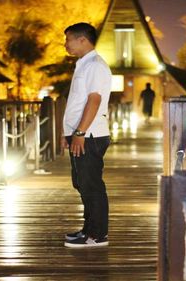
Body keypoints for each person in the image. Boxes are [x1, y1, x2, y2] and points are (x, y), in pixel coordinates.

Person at [61, 23, 112, 248]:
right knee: (82, 183)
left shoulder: (95, 65)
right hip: (81, 134)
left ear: (82, 40)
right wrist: (69, 133)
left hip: (90, 135)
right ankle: (88, 229)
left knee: (91, 184)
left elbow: (94, 100)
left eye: (68, 39)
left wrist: (80, 132)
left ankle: (98, 235)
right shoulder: (83, 64)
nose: (66, 44)